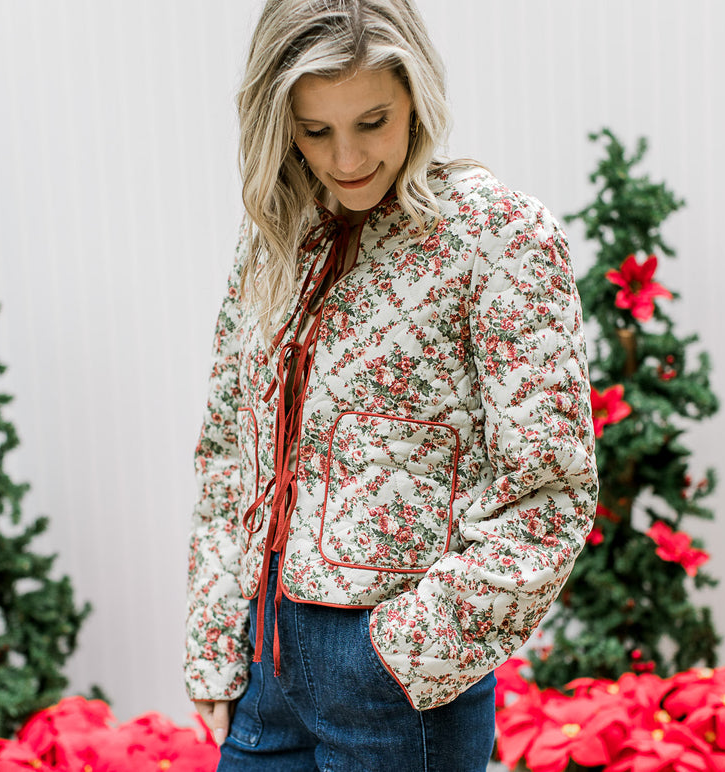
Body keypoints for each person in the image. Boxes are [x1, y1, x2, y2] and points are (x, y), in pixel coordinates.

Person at [184, 1, 598, 769]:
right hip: (264, 666)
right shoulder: (276, 233)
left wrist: (400, 656)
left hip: (392, 687)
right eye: (315, 130)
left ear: (416, 96)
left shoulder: (497, 235)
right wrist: (215, 637)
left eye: (372, 122)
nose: (345, 158)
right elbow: (227, 447)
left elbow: (550, 493)